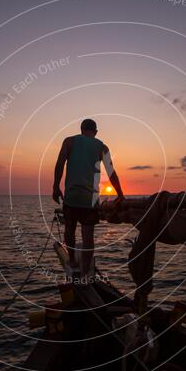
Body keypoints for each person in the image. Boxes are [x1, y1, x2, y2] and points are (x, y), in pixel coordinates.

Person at [52, 118, 124, 278]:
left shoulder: (69, 142)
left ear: (81, 130)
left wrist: (55, 187)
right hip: (90, 200)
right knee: (88, 236)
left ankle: (72, 260)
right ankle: (85, 272)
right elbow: (111, 172)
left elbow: (59, 164)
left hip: (71, 196)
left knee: (69, 230)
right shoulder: (102, 147)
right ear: (96, 132)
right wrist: (120, 195)